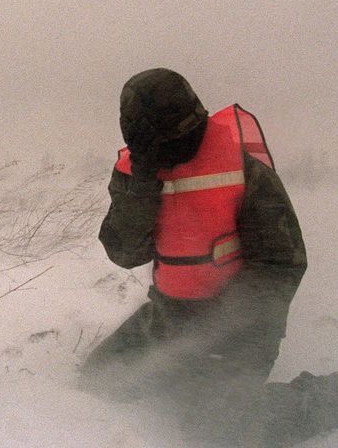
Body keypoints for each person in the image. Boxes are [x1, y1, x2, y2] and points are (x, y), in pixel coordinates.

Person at [81, 68, 308, 445]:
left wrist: (217, 333)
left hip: (241, 330)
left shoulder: (244, 169)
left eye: (172, 137)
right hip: (167, 317)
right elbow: (124, 253)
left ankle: (322, 400)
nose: (166, 151)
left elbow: (280, 263)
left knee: (210, 430)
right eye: (151, 143)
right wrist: (142, 188)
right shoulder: (137, 173)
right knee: (96, 381)